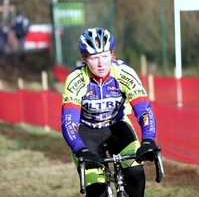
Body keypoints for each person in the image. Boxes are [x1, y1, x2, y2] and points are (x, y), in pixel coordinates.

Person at [61, 27, 157, 197]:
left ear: (112, 54)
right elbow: (69, 122)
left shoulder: (124, 73)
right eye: (94, 58)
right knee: (97, 190)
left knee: (135, 174)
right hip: (86, 132)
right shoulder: (76, 80)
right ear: (84, 58)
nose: (101, 63)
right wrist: (81, 150)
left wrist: (148, 140)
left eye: (105, 56)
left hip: (117, 126)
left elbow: (144, 110)